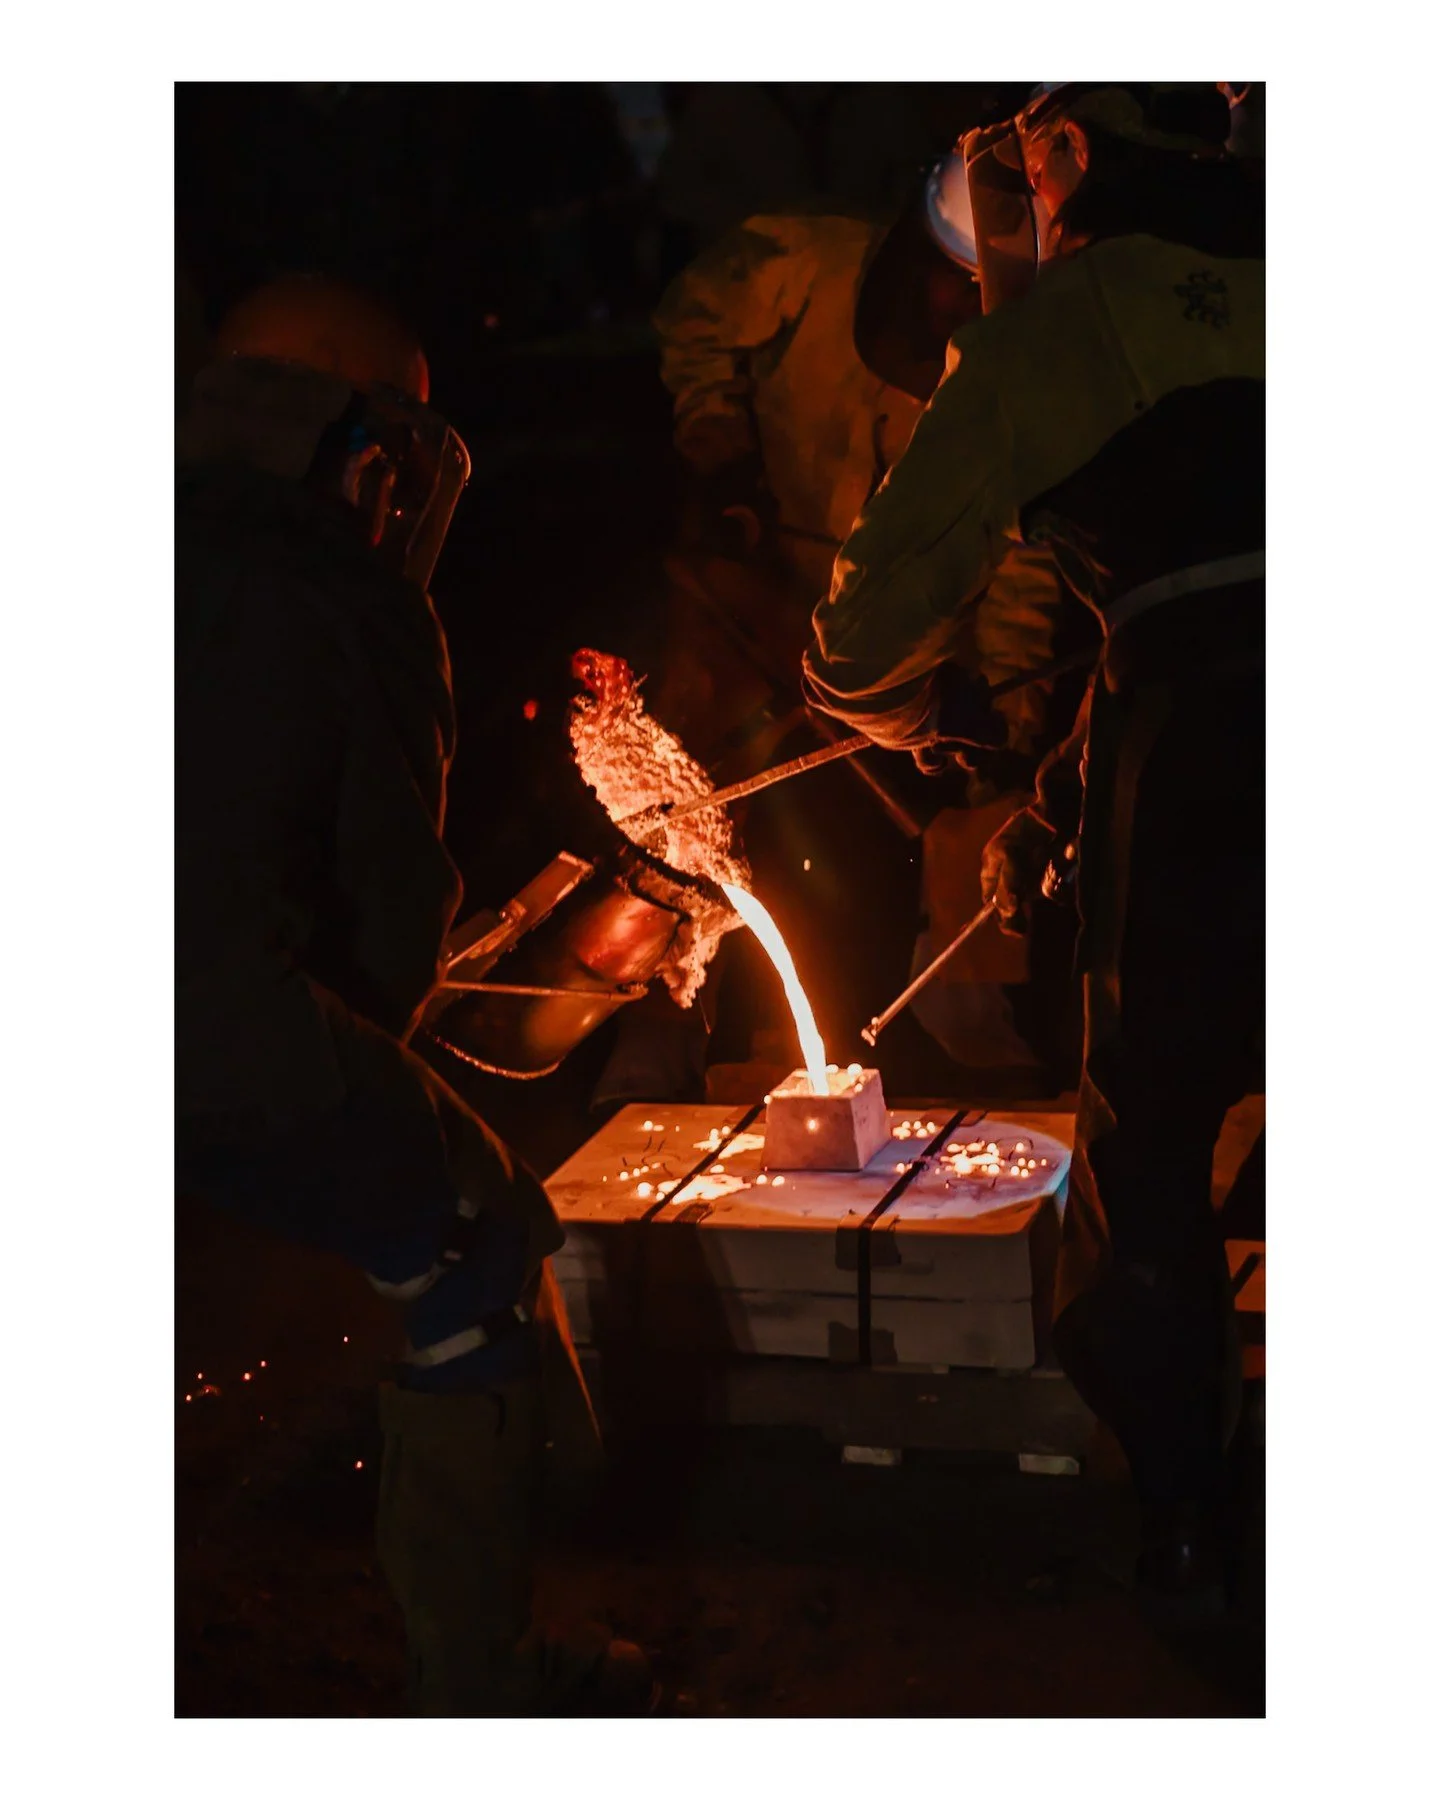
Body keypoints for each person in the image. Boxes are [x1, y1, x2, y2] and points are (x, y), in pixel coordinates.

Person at [803, 83, 1263, 1610]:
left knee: (1154, 1142)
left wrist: (887, 707)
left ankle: (1193, 1520)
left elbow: (866, 632)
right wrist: (1064, 795)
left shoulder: (1071, 327)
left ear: (1062, 167)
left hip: (1216, 760)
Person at [176, 274, 655, 1714]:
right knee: (477, 1234)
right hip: (183, 1008)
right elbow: (382, 933)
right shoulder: (344, 587)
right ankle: (487, 1686)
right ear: (370, 450)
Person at [649, 185, 1084, 1090]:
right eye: (943, 283)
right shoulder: (799, 261)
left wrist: (1010, 704)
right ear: (905, 253)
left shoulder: (1019, 384)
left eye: (979, 294)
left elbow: (1024, 556)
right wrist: (717, 437)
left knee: (869, 846)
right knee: (699, 812)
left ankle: (891, 1031)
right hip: (760, 596)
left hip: (898, 655)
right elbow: (692, 317)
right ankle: (665, 1032)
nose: (952, 311)